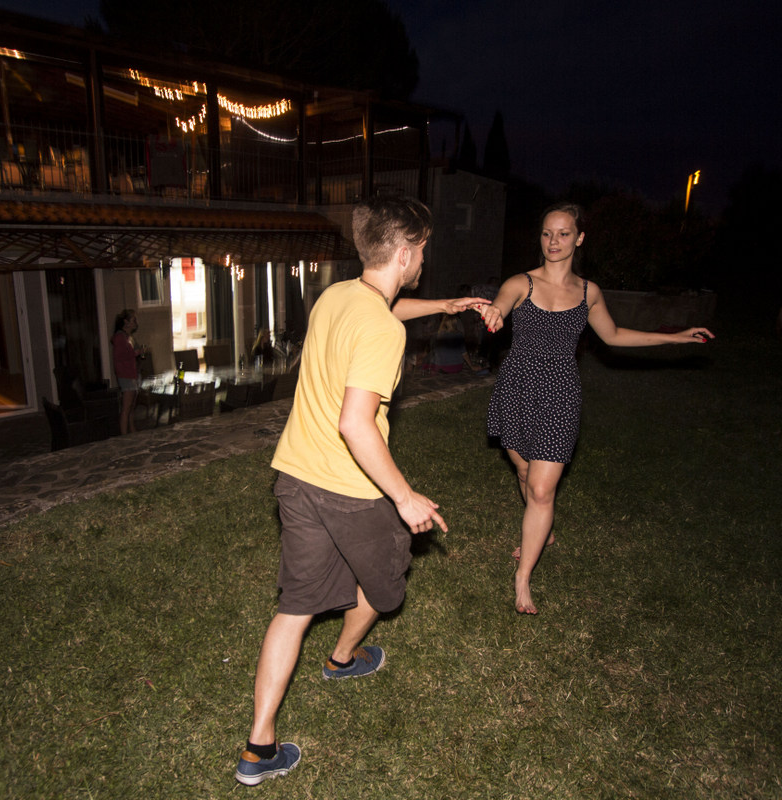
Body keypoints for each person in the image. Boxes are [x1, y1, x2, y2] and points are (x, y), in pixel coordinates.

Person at [235, 195, 486, 786]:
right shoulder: (381, 330)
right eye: (421, 251)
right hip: (351, 489)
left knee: (294, 609)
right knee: (386, 585)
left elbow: (384, 308)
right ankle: (342, 658)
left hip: (295, 475)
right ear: (404, 253)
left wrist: (445, 305)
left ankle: (257, 748)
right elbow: (356, 423)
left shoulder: (337, 296)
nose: (424, 260)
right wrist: (403, 496)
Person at [479, 203, 714, 616]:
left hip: (560, 395)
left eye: (563, 233)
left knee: (541, 489)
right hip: (517, 391)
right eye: (547, 233)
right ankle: (544, 530)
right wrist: (496, 312)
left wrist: (675, 337)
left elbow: (615, 334)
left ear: (579, 238)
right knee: (525, 472)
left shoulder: (589, 293)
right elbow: (501, 302)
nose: (553, 241)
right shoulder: (521, 283)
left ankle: (523, 578)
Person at [110, 309, 144, 435]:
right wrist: (137, 352)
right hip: (126, 375)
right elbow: (121, 356)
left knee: (131, 407)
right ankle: (124, 435)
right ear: (126, 322)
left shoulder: (128, 337)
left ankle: (132, 430)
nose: (135, 323)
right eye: (133, 320)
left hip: (132, 374)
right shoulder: (120, 337)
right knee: (126, 407)